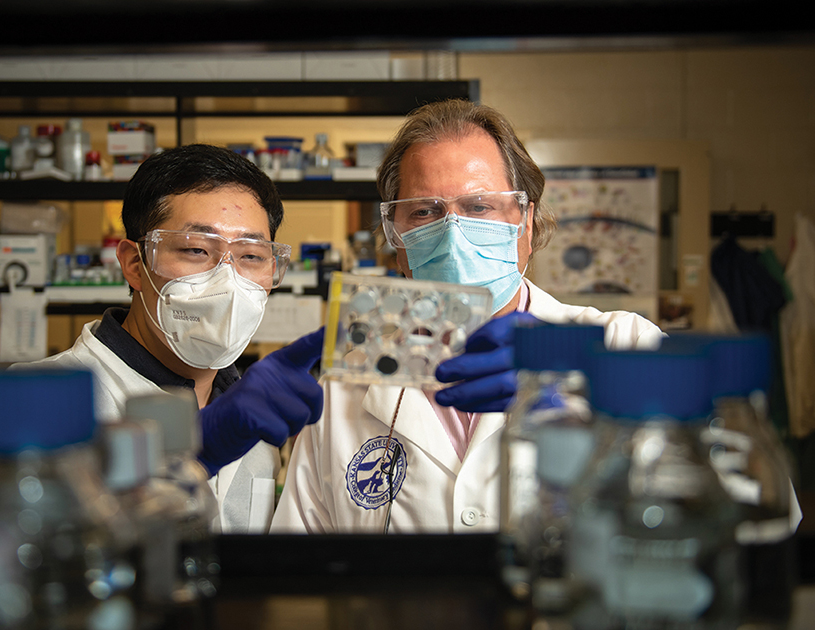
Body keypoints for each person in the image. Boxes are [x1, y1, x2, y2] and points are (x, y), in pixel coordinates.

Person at [271, 99, 664, 534]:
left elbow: (702, 505)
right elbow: (302, 564)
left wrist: (576, 389)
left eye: (479, 207)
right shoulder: (342, 389)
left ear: (526, 224)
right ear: (397, 239)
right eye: (425, 211)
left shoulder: (625, 344)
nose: (451, 233)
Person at [0, 145, 324, 533]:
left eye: (251, 256)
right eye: (196, 249)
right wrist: (198, 455)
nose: (228, 282)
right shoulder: (34, 399)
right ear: (135, 264)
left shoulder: (253, 416)